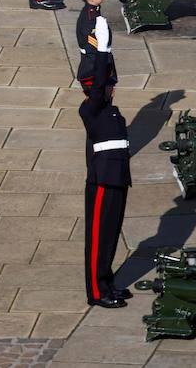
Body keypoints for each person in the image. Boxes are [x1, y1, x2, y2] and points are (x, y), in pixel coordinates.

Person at [80, 27, 132, 309]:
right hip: (101, 182)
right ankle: (97, 293)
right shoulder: (91, 108)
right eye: (109, 84)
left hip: (117, 179)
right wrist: (102, 52)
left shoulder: (110, 109)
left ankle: (107, 282)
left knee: (110, 236)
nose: (113, 87)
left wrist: (109, 53)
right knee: (98, 239)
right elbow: (100, 83)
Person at [73, 0, 117, 96]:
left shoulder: (93, 11)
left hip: (97, 61)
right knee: (100, 97)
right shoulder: (91, 19)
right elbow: (92, 46)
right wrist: (101, 68)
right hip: (94, 64)